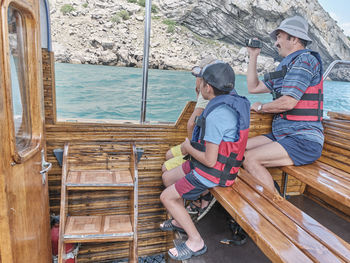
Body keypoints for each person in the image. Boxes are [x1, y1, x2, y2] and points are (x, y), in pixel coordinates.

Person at [159, 62, 250, 260]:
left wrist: (188, 148)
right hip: (212, 166)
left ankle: (195, 241)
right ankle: (179, 220)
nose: (199, 86)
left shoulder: (218, 115)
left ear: (207, 87)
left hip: (213, 173)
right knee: (168, 177)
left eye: (201, 83)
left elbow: (210, 161)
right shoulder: (227, 104)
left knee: (166, 197)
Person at [244, 15, 324, 194]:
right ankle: (273, 191)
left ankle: (274, 207)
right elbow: (253, 87)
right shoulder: (287, 67)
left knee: (250, 159)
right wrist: (253, 55)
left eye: (279, 37)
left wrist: (260, 108)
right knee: (240, 149)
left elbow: (288, 102)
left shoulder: (305, 61)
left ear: (294, 38)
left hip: (304, 139)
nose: (275, 43)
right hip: (284, 135)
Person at [162, 57, 215, 173]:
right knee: (168, 155)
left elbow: (191, 124)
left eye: (198, 76)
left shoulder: (206, 95)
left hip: (201, 148)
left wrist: (191, 150)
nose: (196, 79)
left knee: (166, 166)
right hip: (203, 144)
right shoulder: (208, 93)